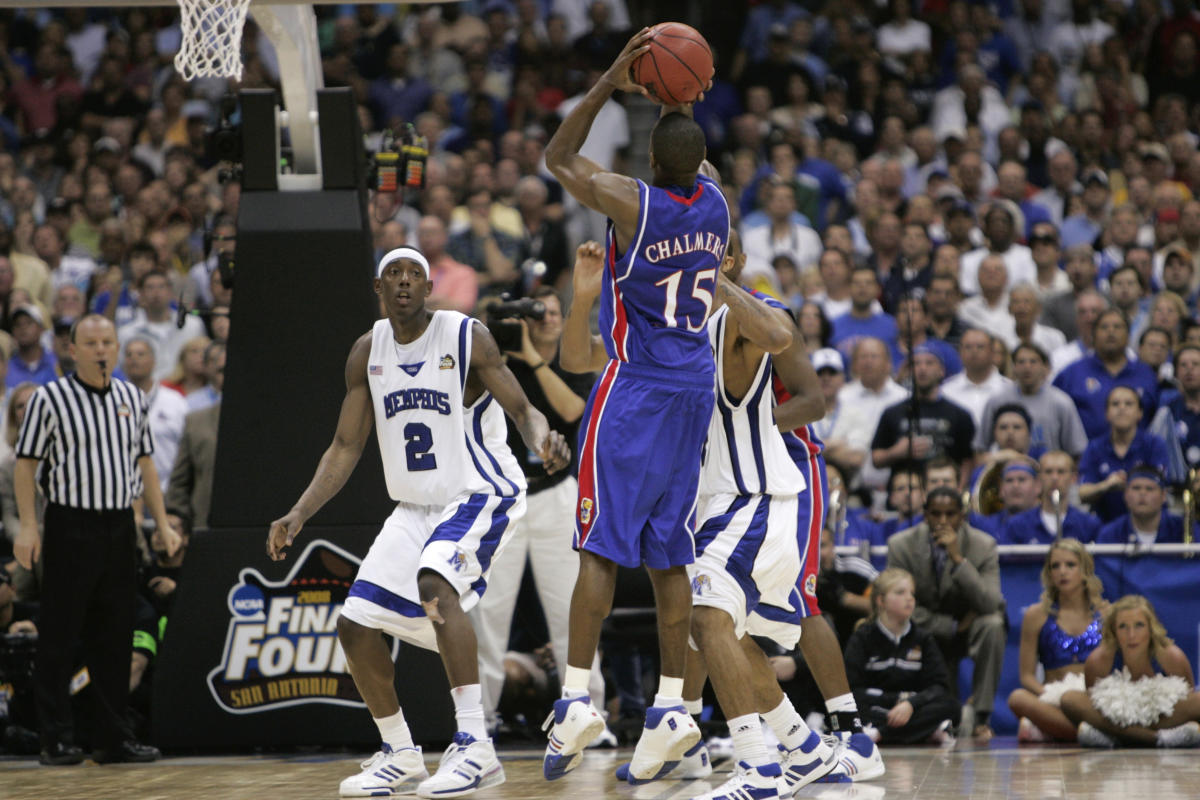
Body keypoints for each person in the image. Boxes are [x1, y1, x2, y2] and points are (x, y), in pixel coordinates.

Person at [265, 247, 568, 798]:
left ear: (429, 288)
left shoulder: (464, 335)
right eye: (393, 275)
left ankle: (476, 746)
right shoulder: (367, 352)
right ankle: (401, 754)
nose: (404, 283)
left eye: (414, 276)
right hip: (415, 507)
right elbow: (344, 446)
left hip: (480, 489)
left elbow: (524, 410)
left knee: (435, 583)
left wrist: (541, 441)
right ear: (378, 289)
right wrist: (300, 511)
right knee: (355, 624)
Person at [541, 30, 728, 784]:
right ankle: (674, 703)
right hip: (694, 388)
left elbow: (557, 158)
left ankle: (576, 696)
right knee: (668, 554)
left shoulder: (631, 202)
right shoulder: (717, 201)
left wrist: (611, 81)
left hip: (637, 387)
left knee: (599, 548)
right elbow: (695, 156)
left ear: (651, 159)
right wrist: (680, 95)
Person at [633, 230, 838, 798]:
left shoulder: (758, 318)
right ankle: (806, 749)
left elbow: (814, 400)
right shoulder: (675, 331)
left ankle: (758, 768)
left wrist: (754, 429)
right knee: (725, 632)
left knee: (704, 617)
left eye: (720, 257)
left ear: (737, 261)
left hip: (754, 498)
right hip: (711, 506)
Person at [13, 314, 179, 765]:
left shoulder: (130, 396)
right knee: (61, 634)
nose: (102, 349)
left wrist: (162, 524)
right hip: (70, 524)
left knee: (115, 633)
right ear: (73, 349)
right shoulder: (50, 398)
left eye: (108, 341)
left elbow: (145, 463)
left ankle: (111, 737)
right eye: (92, 342)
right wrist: (29, 526)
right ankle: (56, 737)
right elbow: (25, 464)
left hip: (119, 525)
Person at [470, 277, 607, 737]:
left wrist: (531, 357)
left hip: (555, 496)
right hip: (503, 498)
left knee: (572, 609)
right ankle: (479, 720)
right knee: (488, 614)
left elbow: (572, 413)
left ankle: (588, 714)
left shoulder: (569, 361)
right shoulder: (493, 363)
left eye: (552, 312)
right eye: (536, 312)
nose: (546, 319)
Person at [886, 487, 1005, 740]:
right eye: (936, 514)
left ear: (962, 515)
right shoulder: (901, 545)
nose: (942, 521)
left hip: (971, 630)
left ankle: (981, 716)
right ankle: (932, 718)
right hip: (927, 630)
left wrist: (958, 559)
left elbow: (990, 603)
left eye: (950, 514)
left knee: (993, 624)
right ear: (924, 514)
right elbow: (895, 600)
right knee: (897, 618)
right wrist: (950, 626)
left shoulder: (983, 545)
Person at [1061, 595, 1200, 748]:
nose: (1131, 635)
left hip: (1161, 718)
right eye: (1123, 627)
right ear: (1113, 631)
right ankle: (1156, 739)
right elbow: (1094, 706)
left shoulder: (1172, 657)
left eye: (1139, 625)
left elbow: (1187, 700)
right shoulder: (1098, 661)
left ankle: (1114, 738)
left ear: (1151, 628)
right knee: (1069, 699)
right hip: (1115, 719)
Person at [843, 568, 960, 744]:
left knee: (951, 707)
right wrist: (895, 701)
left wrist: (910, 704)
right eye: (900, 592)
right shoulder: (863, 637)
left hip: (911, 707)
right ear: (881, 600)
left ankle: (880, 734)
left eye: (911, 593)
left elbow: (939, 686)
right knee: (850, 707)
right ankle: (926, 731)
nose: (909, 598)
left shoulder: (923, 638)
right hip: (877, 705)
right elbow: (852, 687)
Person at [1008, 540, 1106, 742]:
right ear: (1049, 574)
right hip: (1054, 698)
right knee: (1017, 698)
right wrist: (1053, 696)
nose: (1062, 572)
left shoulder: (1106, 613)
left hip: (1095, 699)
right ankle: (1092, 733)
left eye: (1070, 565)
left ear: (1085, 570)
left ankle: (1051, 729)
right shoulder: (1036, 615)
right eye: (1055, 566)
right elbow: (1026, 676)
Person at [1053, 308, 1159, 439]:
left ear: (1128, 335)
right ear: (1094, 335)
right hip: (1084, 456)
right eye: (1104, 327)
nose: (1111, 331)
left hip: (1139, 455)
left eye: (1117, 327)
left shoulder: (1146, 374)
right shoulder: (1072, 373)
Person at [976, 343, 1089, 459]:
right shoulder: (997, 401)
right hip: (1007, 473)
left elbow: (1077, 451)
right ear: (1014, 367)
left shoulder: (1062, 402)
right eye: (1021, 362)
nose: (1027, 367)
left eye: (1033, 362)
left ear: (1045, 368)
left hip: (1049, 474)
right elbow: (980, 449)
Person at [1078, 387, 1169, 523]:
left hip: (1151, 523)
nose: (1122, 408)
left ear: (1140, 413)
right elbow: (1083, 493)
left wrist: (1129, 483)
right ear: (1106, 413)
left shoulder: (1155, 445)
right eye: (1115, 404)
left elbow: (1160, 487)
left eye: (1128, 404)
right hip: (1105, 525)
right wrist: (1107, 485)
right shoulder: (1094, 448)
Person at [999, 451, 1101, 545]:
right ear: (1039, 479)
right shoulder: (1017, 525)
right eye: (1048, 472)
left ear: (1073, 478)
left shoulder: (1089, 524)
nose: (1054, 478)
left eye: (1061, 472)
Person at [1095, 466, 1196, 545]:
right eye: (1136, 488)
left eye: (1149, 489)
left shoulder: (1185, 529)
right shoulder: (1110, 534)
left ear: (1163, 495)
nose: (1142, 493)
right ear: (1125, 494)